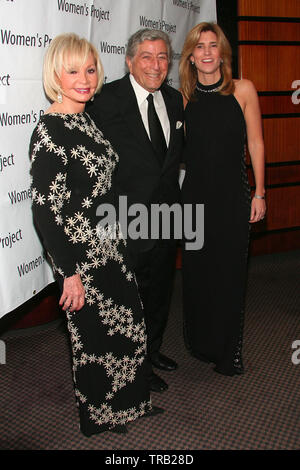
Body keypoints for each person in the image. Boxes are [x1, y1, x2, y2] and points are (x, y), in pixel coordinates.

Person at [29, 33, 161, 437]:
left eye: (89, 69)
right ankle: (101, 416)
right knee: (94, 339)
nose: (83, 79)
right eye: (73, 71)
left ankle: (131, 402)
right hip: (80, 255)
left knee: (128, 325)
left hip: (110, 243)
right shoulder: (50, 131)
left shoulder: (84, 117)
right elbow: (45, 211)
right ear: (56, 74)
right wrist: (68, 272)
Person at [88, 29, 184, 392]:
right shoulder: (106, 101)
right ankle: (132, 368)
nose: (155, 65)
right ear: (129, 61)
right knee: (130, 299)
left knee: (160, 292)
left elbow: (170, 161)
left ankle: (152, 352)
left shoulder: (174, 100)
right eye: (146, 56)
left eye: (162, 57)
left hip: (167, 218)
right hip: (124, 220)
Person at [179, 22, 266, 376]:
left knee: (229, 274)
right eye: (200, 47)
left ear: (222, 52)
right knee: (199, 273)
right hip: (194, 198)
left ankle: (228, 353)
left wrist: (260, 191)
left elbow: (256, 143)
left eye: (213, 46)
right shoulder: (184, 97)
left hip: (233, 195)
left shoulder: (243, 90)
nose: (207, 53)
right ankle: (202, 343)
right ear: (191, 56)